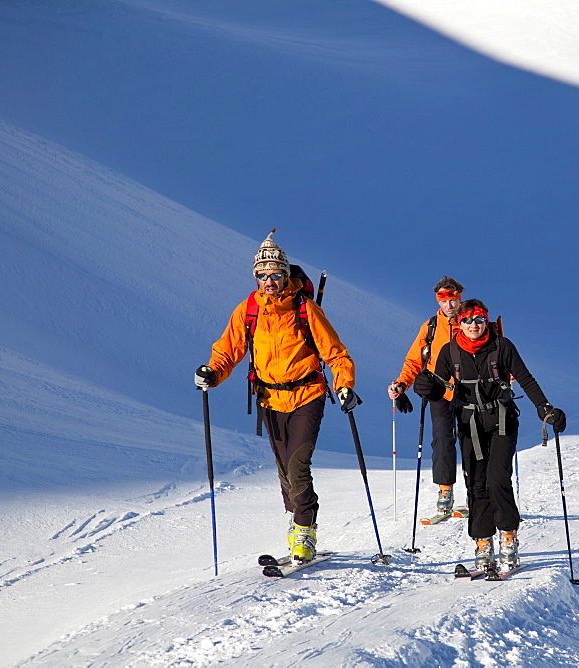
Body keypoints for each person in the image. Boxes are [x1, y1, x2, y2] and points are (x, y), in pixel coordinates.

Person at [194, 230, 358, 563]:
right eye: (263, 275)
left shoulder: (305, 308)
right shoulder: (248, 310)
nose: (269, 280)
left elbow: (336, 353)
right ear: (256, 277)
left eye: (276, 274)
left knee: (298, 464)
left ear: (286, 275)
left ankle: (304, 530)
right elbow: (229, 349)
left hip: (307, 394)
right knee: (284, 468)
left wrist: (344, 385)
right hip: (269, 399)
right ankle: (297, 519)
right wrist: (212, 371)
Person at [413, 299, 566, 575]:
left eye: (479, 319)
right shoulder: (450, 352)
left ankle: (508, 538)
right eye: (468, 321)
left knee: (497, 480)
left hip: (502, 423)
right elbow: (437, 388)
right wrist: (425, 387)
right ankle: (483, 545)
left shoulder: (502, 347)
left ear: (487, 321)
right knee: (476, 486)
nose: (474, 325)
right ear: (459, 324)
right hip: (470, 424)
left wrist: (545, 409)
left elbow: (526, 379)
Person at [387, 276, 465, 518]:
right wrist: (402, 385)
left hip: (470, 392)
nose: (449, 304)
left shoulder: (470, 322)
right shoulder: (430, 327)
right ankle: (445, 491)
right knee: (442, 439)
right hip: (439, 391)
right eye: (443, 298)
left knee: (474, 442)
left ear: (459, 297)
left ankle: (477, 491)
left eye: (452, 298)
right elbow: (414, 360)